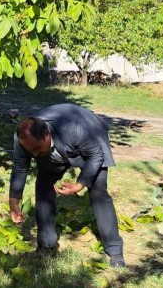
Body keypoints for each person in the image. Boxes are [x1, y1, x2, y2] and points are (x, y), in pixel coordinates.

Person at [8, 104, 125, 268]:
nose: (34, 154)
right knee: (43, 189)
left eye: (36, 148)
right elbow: (20, 167)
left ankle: (115, 251)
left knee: (98, 193)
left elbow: (96, 155)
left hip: (90, 138)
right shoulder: (23, 140)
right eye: (30, 151)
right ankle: (46, 246)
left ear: (46, 134)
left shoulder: (74, 128)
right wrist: (13, 203)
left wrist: (79, 184)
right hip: (58, 148)